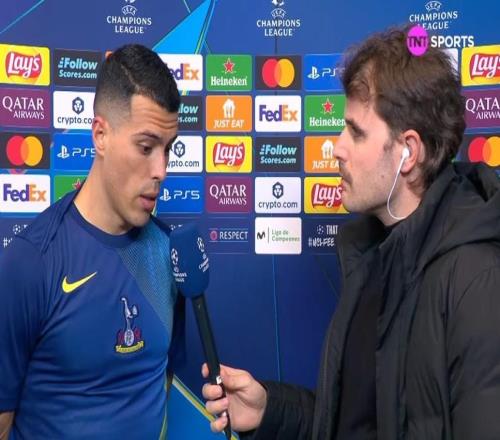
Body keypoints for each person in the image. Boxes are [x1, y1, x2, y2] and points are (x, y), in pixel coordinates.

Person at [202, 25, 500, 440]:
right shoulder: (370, 256)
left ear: (408, 152)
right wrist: (269, 410)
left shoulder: (477, 280)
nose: (336, 148)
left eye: (356, 132)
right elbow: (357, 421)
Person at [0, 44, 185, 439]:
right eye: (146, 147)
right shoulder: (31, 262)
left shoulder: (169, 254)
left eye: (168, 149)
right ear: (101, 135)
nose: (161, 170)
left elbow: (164, 382)